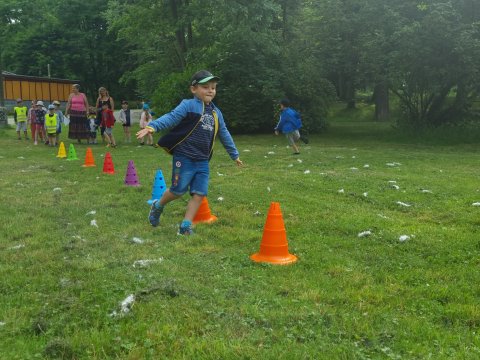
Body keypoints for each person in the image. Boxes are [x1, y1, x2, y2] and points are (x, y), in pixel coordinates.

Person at [136, 70, 243, 236]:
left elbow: (224, 133)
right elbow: (171, 117)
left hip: (202, 161)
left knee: (199, 194)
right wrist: (153, 126)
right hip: (184, 157)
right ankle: (158, 205)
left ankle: (185, 226)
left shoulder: (216, 113)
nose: (210, 90)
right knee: (178, 191)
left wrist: (234, 154)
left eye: (213, 88)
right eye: (205, 87)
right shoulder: (188, 105)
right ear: (194, 89)